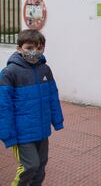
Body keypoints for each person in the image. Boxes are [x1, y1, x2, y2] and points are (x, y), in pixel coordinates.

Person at [0, 29, 64, 186]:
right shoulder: (10, 72)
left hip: (41, 130)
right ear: (19, 48)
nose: (34, 52)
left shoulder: (45, 70)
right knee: (30, 166)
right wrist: (7, 134)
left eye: (39, 48)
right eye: (29, 48)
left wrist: (57, 121)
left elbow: (52, 96)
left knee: (41, 166)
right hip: (22, 133)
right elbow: (3, 106)